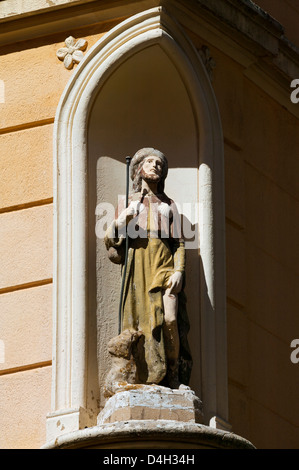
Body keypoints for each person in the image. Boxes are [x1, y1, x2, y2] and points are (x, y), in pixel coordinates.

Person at [104, 148, 192, 389]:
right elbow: (113, 248)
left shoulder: (169, 204)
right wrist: (121, 222)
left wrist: (179, 271)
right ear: (139, 169)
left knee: (170, 318)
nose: (156, 166)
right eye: (150, 162)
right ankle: (142, 375)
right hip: (138, 263)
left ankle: (173, 374)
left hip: (163, 262)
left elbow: (179, 243)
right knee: (138, 322)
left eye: (160, 164)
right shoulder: (127, 202)